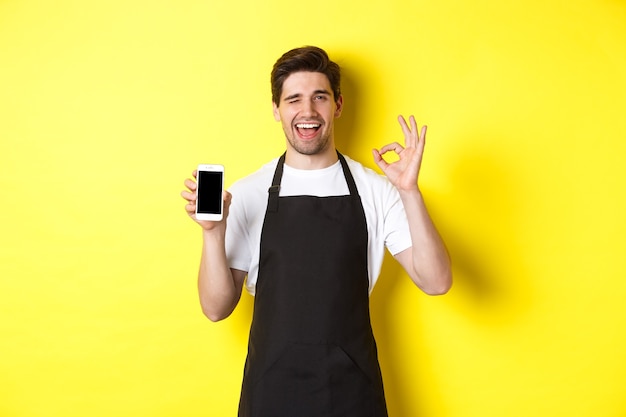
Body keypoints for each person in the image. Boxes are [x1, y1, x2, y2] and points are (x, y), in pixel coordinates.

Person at [181, 46, 452, 417]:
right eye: (293, 99)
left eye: (319, 97)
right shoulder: (248, 194)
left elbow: (436, 281)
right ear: (276, 109)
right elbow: (215, 308)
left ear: (337, 105)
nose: (307, 111)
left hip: (352, 395)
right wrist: (213, 232)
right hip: (270, 395)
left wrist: (409, 192)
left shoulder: (376, 190)